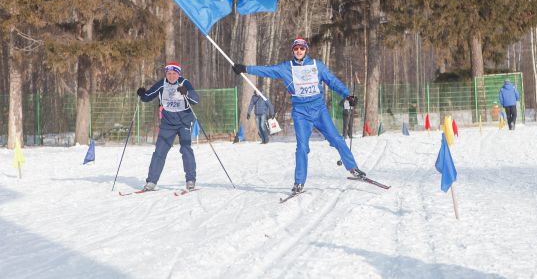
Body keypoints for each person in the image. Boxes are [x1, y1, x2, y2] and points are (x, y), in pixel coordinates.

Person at [232, 37, 366, 194]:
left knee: (337, 139)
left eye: (302, 48)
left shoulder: (317, 66)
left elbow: (332, 81)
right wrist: (245, 69)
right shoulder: (286, 68)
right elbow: (266, 70)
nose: (299, 51)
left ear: (306, 50)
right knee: (302, 147)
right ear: (293, 51)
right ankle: (299, 182)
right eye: (296, 49)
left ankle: (353, 168)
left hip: (319, 109)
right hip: (301, 112)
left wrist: (347, 95)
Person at [136, 62, 200, 191]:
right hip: (168, 123)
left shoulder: (184, 83)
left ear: (178, 74)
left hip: (184, 122)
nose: (171, 76)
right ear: (166, 74)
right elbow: (148, 97)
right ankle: (151, 182)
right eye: (169, 73)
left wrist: (186, 93)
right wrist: (142, 94)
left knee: (186, 149)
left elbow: (196, 100)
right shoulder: (162, 84)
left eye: (174, 73)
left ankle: (190, 180)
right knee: (159, 151)